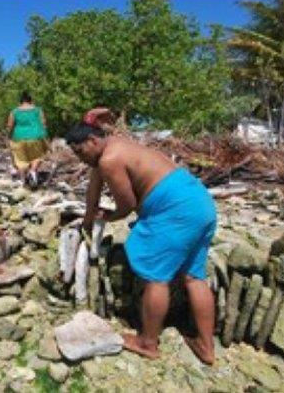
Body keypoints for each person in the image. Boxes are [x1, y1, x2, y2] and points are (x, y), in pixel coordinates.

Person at [64, 115, 218, 365]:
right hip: (199, 202)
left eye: (81, 152)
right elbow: (94, 186)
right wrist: (88, 219)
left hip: (174, 210)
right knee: (193, 276)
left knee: (156, 277)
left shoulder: (109, 160)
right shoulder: (114, 144)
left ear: (92, 140)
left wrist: (109, 216)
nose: (80, 159)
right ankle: (206, 347)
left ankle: (148, 342)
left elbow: (127, 205)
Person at [7, 91, 49, 188]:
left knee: (21, 160)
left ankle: (23, 181)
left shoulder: (14, 111)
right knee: (37, 156)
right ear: (31, 101)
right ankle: (33, 171)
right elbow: (43, 123)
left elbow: (10, 126)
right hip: (35, 136)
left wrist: (9, 137)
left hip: (19, 137)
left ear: (20, 102)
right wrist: (45, 136)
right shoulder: (38, 110)